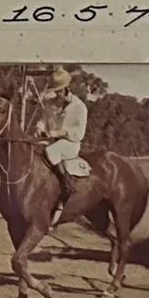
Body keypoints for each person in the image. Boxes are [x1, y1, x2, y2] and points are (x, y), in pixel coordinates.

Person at [37, 69, 93, 216]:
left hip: (70, 144)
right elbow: (43, 120)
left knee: (51, 151)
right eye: (55, 91)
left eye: (59, 91)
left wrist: (57, 133)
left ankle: (66, 184)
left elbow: (78, 134)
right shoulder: (50, 104)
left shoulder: (79, 107)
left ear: (67, 88)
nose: (57, 94)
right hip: (51, 141)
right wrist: (39, 127)